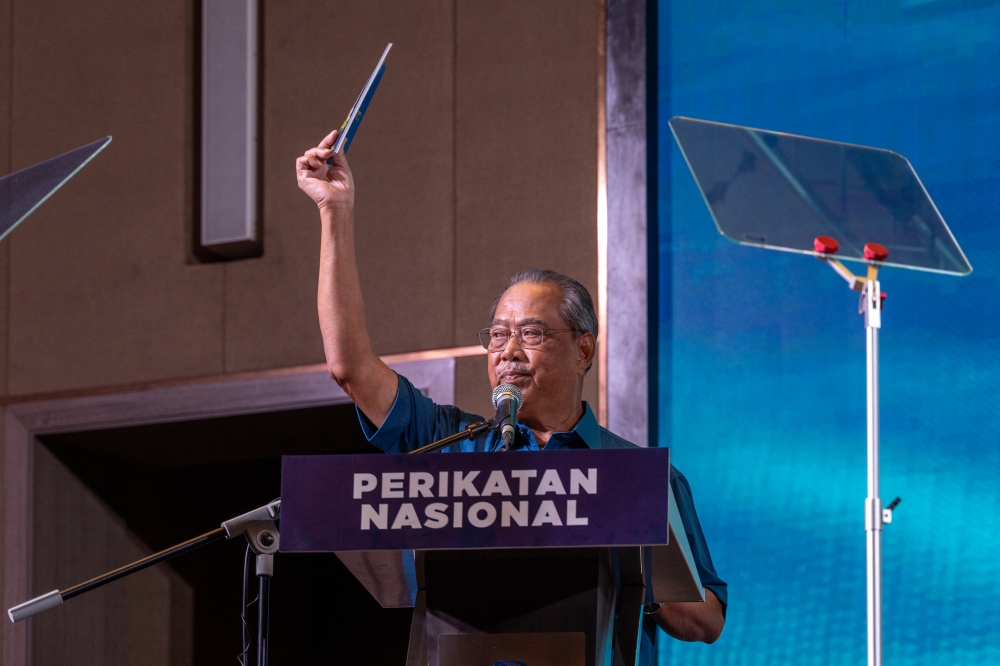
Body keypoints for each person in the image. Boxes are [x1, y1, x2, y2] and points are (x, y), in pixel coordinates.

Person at [296, 130, 727, 645]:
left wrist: (621, 548)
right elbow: (349, 366)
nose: (508, 351)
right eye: (498, 336)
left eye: (531, 334)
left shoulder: (639, 477)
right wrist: (333, 212)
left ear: (583, 351)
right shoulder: (452, 446)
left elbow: (707, 621)